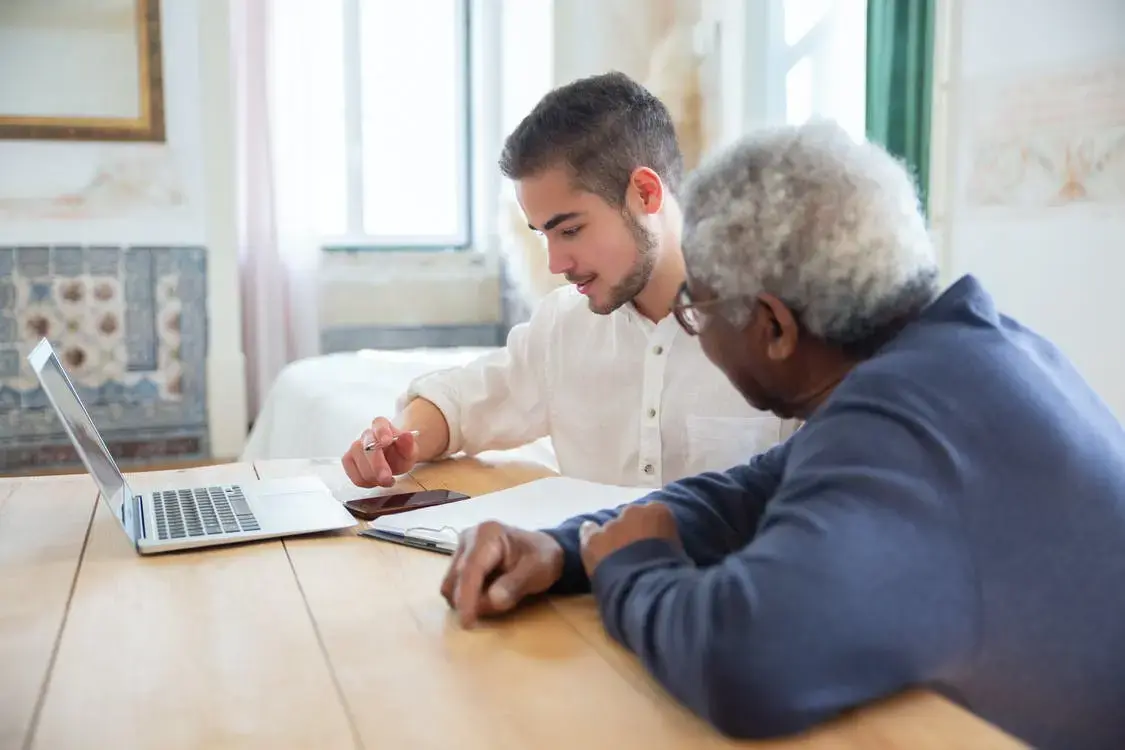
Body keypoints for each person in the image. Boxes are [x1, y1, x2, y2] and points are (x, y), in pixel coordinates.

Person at [438, 120, 1125, 750]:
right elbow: (749, 493)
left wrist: (631, 569)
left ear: (772, 327)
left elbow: (745, 662)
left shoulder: (900, 426)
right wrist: (566, 548)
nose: (693, 326)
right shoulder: (964, 355)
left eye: (696, 307)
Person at [342, 72, 793, 491]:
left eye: (571, 230)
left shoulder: (776, 332)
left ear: (646, 193)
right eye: (544, 235)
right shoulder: (562, 326)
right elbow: (462, 401)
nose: (556, 263)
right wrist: (401, 441)